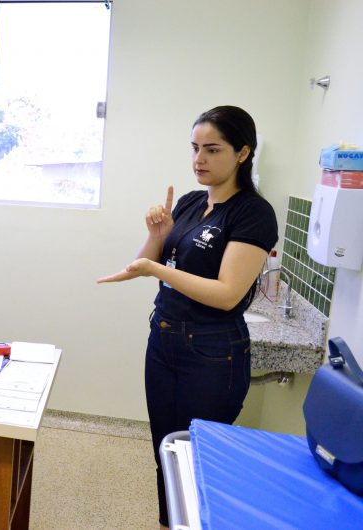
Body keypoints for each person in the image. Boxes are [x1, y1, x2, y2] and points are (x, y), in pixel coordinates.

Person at [97, 106, 278, 529]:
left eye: (212, 149)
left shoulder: (252, 212)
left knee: (199, 460)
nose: (199, 159)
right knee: (165, 452)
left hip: (212, 353)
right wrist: (157, 236)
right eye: (195, 148)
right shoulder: (192, 202)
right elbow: (145, 263)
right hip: (164, 341)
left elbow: (228, 294)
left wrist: (157, 270)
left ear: (243, 153)